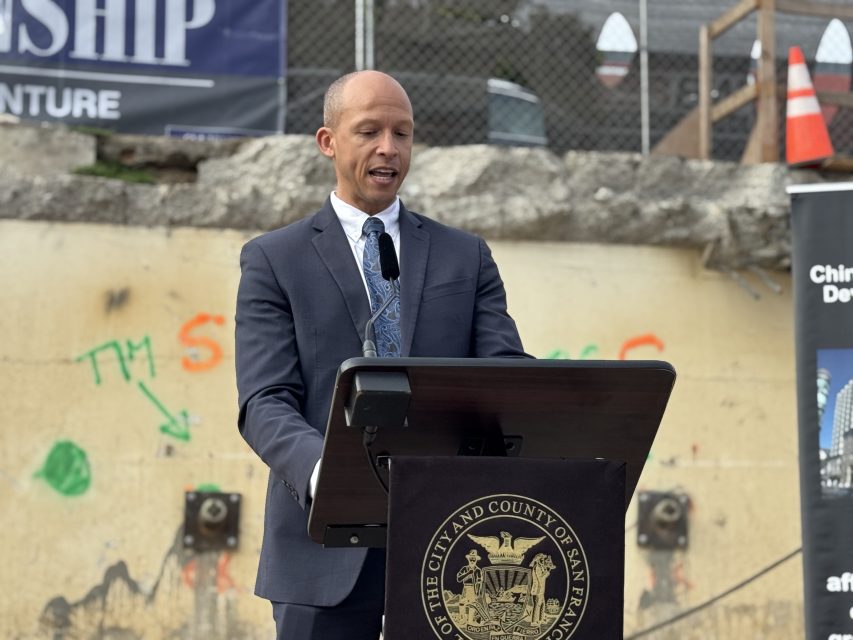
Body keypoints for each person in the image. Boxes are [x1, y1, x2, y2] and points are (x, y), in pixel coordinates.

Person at [234, 70, 528, 640]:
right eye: (369, 131)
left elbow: (504, 376)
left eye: (402, 133)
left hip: (453, 548)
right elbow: (265, 400)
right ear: (329, 141)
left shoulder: (465, 257)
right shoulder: (274, 260)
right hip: (322, 549)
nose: (388, 148)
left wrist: (569, 405)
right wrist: (331, 472)